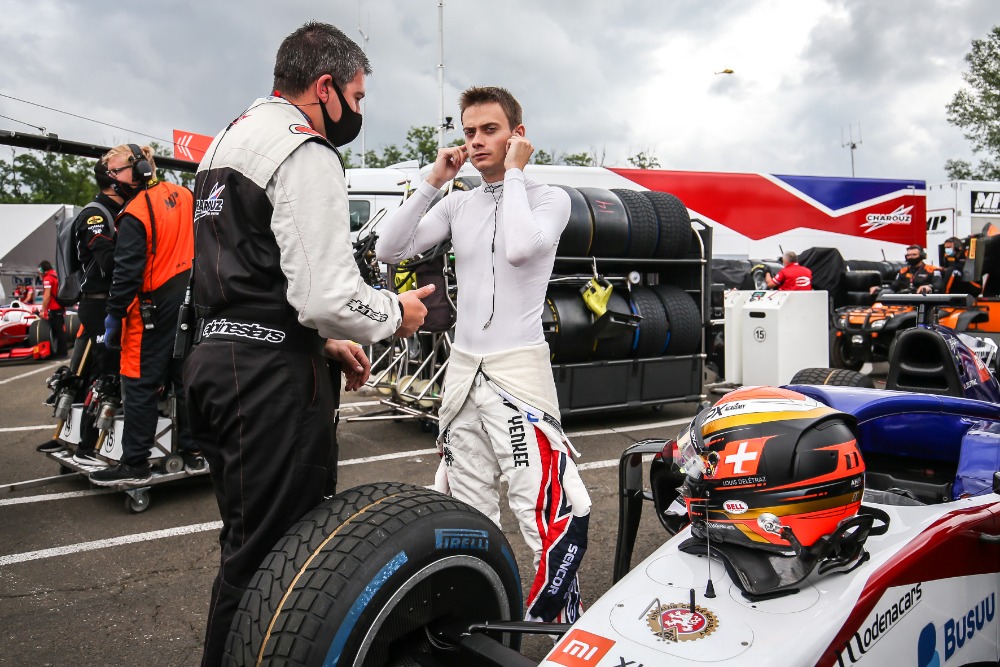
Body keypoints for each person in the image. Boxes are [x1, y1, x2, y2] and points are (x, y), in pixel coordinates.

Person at [182, 22, 434, 666]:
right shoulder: (305, 149)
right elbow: (326, 295)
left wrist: (318, 345)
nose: (359, 109)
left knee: (247, 545)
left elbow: (245, 278)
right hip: (266, 384)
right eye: (357, 94)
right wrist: (394, 313)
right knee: (276, 563)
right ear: (325, 87)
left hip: (216, 365)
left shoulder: (225, 145)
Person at [376, 86, 592, 625]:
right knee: (467, 507)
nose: (475, 141)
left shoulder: (550, 198)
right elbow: (389, 248)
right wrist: (433, 182)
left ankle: (564, 624)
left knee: (539, 508)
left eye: (489, 130)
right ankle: (474, 610)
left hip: (517, 370)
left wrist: (514, 173)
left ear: (517, 134)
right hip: (464, 369)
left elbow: (520, 247)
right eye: (469, 131)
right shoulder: (458, 200)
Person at [89, 144, 203, 486]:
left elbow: (127, 274)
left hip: (151, 308)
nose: (111, 179)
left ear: (140, 170)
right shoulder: (184, 195)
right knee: (185, 381)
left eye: (116, 171)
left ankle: (135, 463)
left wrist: (113, 317)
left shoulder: (136, 212)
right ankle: (194, 452)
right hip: (190, 302)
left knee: (138, 384)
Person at [37, 159, 124, 462]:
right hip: (98, 303)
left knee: (84, 369)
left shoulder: (108, 211)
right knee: (105, 373)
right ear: (113, 182)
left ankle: (71, 437)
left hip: (98, 303)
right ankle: (88, 444)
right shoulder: (97, 213)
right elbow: (108, 263)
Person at [871, 245, 943, 295]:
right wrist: (880, 288)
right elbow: (894, 286)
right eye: (908, 255)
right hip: (904, 300)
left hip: (923, 300)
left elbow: (939, 285)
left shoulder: (932, 270)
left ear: (922, 256)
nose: (910, 257)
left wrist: (929, 287)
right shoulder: (903, 271)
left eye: (914, 255)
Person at [37, 260, 67, 358]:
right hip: (61, 306)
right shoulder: (56, 275)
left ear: (42, 269)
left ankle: (61, 353)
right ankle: (61, 351)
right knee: (60, 330)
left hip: (54, 308)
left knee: (57, 330)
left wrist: (43, 309)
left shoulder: (48, 278)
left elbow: (47, 296)